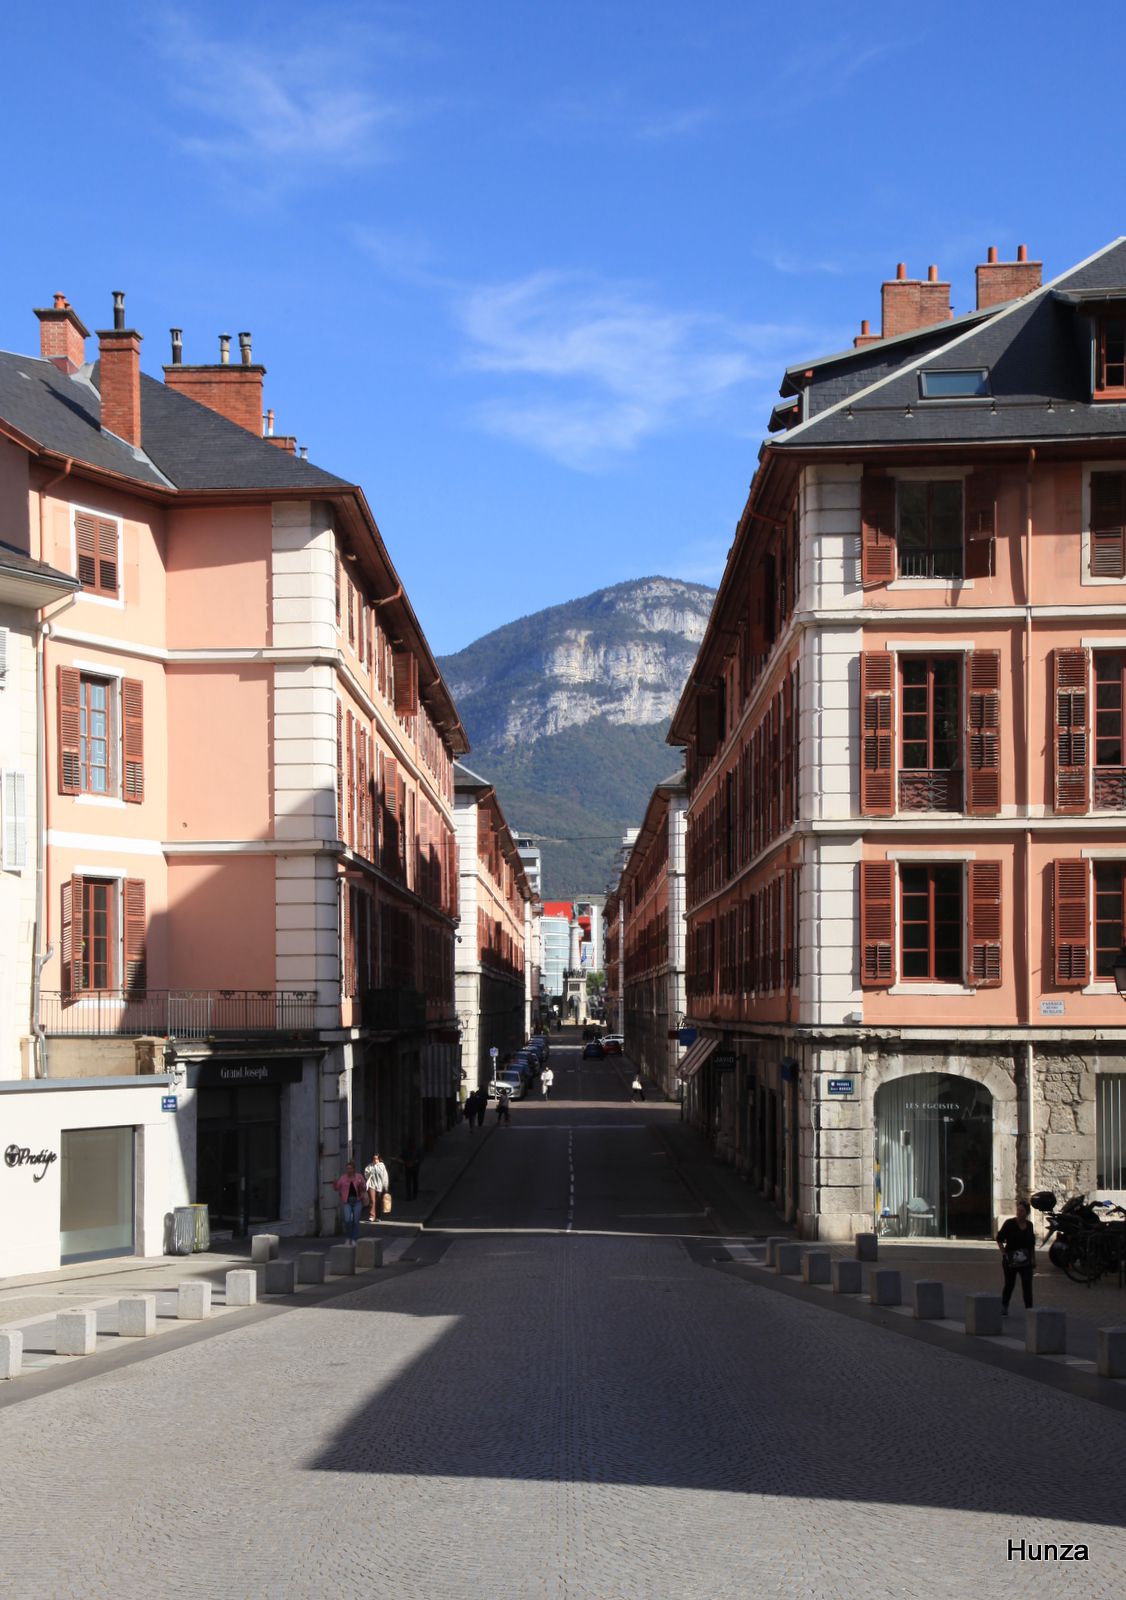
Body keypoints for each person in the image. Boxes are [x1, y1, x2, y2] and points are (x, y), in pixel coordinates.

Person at [997, 1199, 1036, 1315]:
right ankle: (1004, 1305)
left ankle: (1029, 1309)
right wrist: (1004, 1254)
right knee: (1010, 1284)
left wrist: (1034, 1259)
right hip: (1011, 1260)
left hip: (1026, 1260)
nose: (1019, 1213)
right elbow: (999, 1239)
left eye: (1022, 1211)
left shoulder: (1030, 1225)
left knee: (1027, 1284)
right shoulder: (1009, 1224)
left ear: (1027, 1213)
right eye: (1018, 1210)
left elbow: (1031, 1244)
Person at [335, 1161, 366, 1242]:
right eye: (347, 1168)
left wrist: (361, 1186)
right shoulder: (343, 1178)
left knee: (355, 1221)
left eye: (350, 1168)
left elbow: (364, 1187)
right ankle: (348, 1237)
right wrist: (335, 1184)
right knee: (347, 1220)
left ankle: (354, 1239)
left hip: (357, 1201)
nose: (349, 1170)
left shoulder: (359, 1177)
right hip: (347, 1202)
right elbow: (337, 1187)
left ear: (354, 1169)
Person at [364, 1152, 390, 1223]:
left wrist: (386, 1187)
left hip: (379, 1185)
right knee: (372, 1201)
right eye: (374, 1159)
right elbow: (366, 1175)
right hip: (371, 1185)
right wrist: (369, 1173)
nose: (375, 1160)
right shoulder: (369, 1166)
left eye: (377, 1159)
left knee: (378, 1201)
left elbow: (385, 1177)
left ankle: (378, 1216)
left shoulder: (382, 1166)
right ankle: (372, 1216)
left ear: (379, 1159)